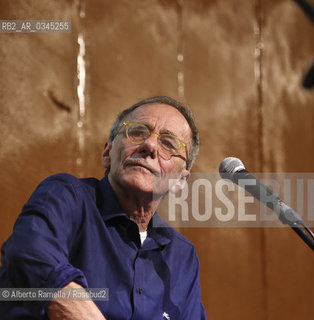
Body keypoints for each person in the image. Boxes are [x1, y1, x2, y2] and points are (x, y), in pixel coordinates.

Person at [0, 96, 207, 320]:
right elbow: (31, 255)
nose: (149, 145)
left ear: (180, 182)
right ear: (107, 153)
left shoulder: (182, 256)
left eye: (168, 144)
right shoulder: (66, 195)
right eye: (137, 132)